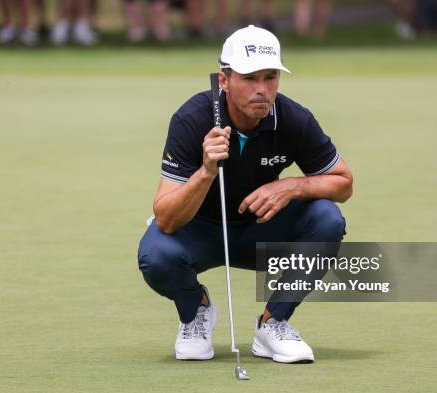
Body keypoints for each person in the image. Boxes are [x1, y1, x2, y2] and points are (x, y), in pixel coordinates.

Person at [138, 25, 353, 363]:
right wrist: (206, 171)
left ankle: (273, 323)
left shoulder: (293, 119)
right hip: (201, 232)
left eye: (270, 77)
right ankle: (196, 310)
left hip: (260, 231)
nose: (262, 90)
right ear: (224, 80)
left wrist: (291, 186)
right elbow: (166, 216)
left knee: (327, 218)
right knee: (156, 253)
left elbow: (343, 182)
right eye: (250, 78)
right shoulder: (192, 119)